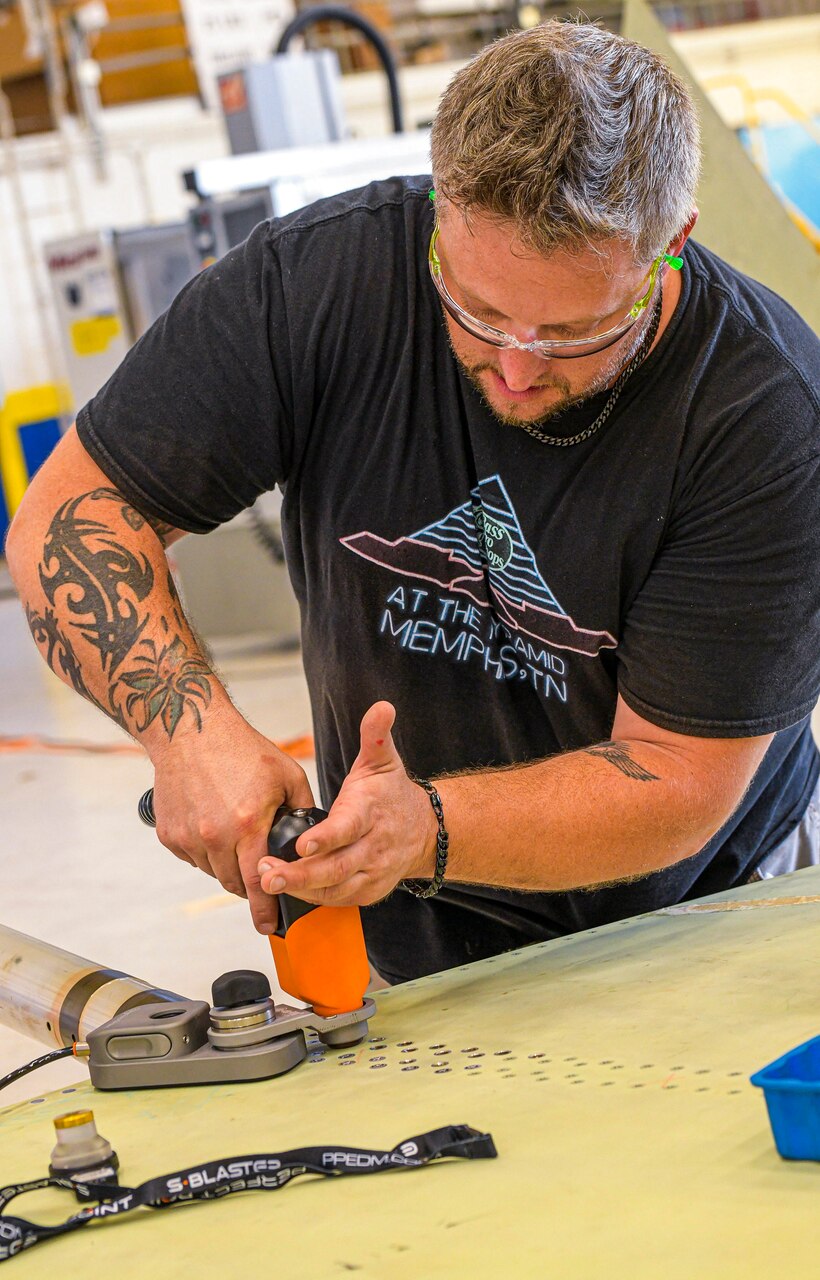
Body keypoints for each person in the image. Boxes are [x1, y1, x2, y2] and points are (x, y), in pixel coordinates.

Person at [6, 21, 820, 986]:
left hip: (700, 916)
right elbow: (72, 508)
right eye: (474, 309)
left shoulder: (765, 413)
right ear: (442, 209)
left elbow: (674, 783)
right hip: (402, 921)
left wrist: (425, 827)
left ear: (669, 247)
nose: (514, 369)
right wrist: (191, 734)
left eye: (571, 331)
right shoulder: (314, 284)